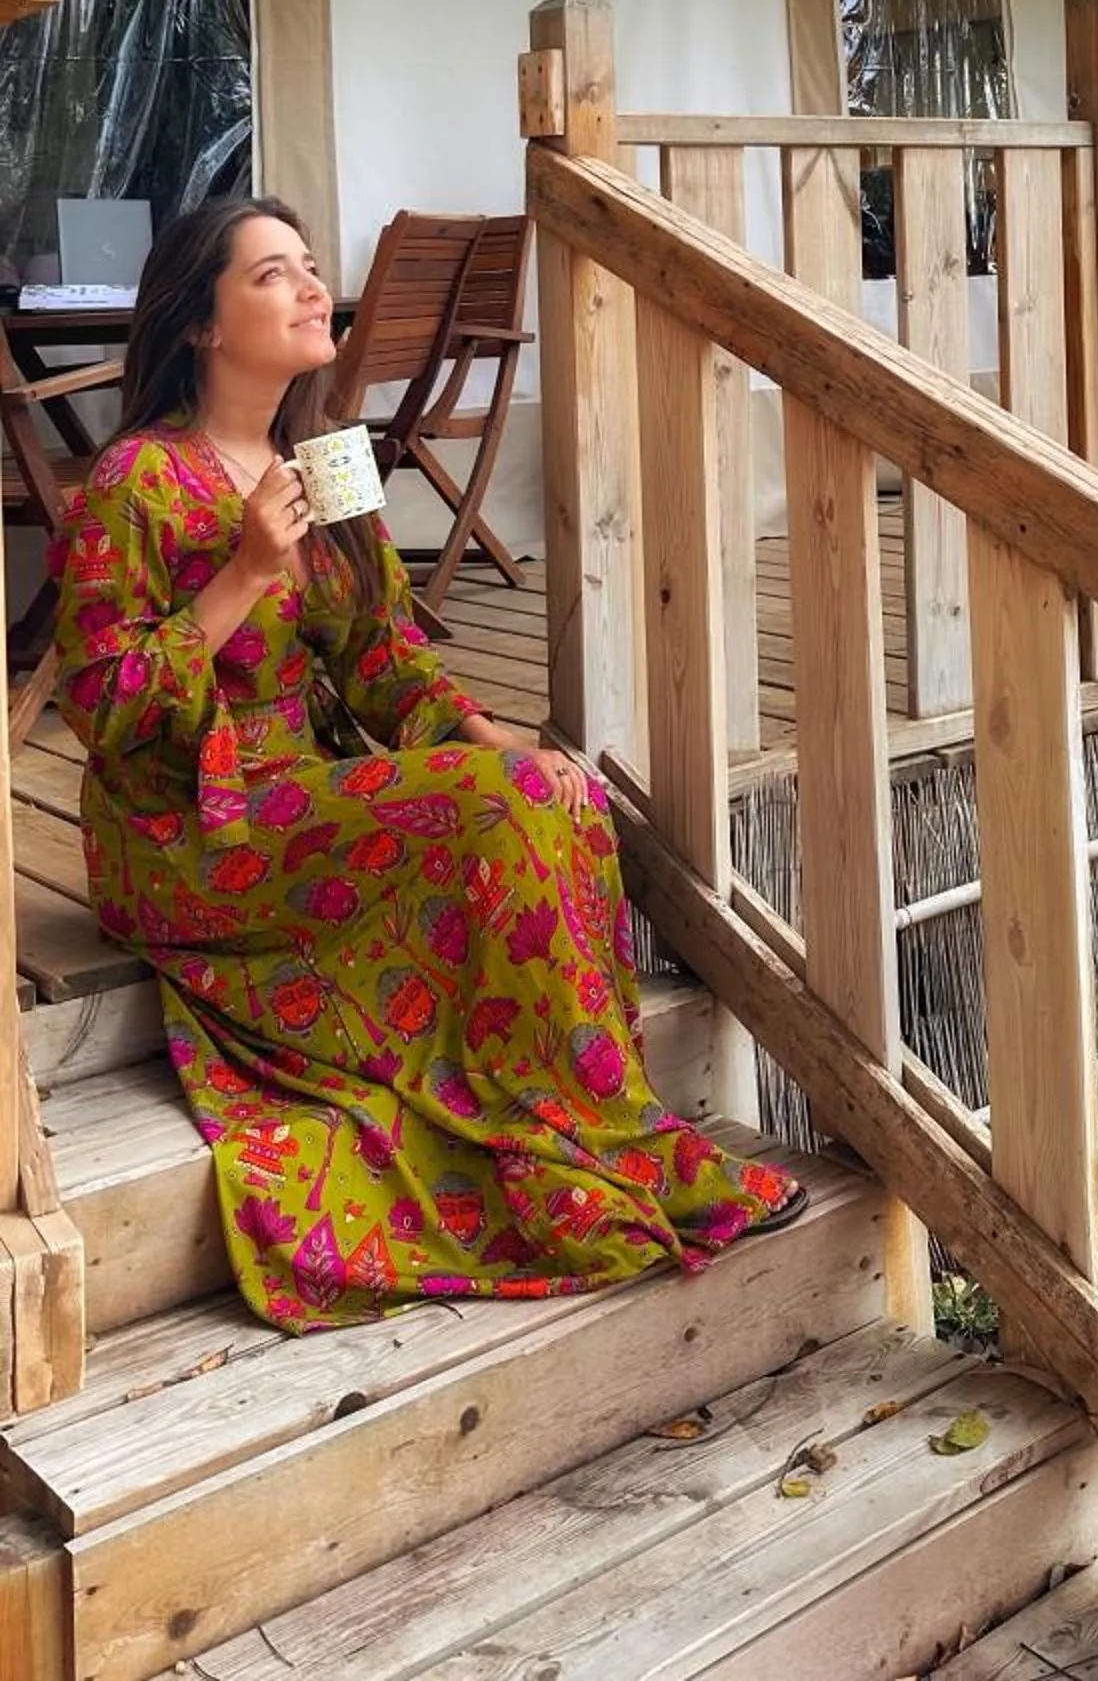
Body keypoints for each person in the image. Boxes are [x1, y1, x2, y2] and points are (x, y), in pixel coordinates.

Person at [51, 195, 800, 1332]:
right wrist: (243, 574)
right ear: (200, 322)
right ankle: (599, 1160)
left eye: (311, 267)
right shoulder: (135, 484)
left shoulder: (331, 458)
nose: (314, 288)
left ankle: (592, 1135)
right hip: (188, 832)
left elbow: (385, 662)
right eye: (272, 275)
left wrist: (489, 741)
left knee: (553, 795)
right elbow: (102, 711)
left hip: (303, 795)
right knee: (501, 811)